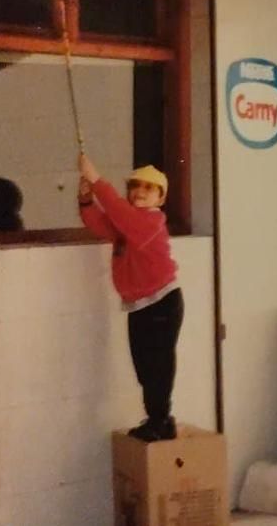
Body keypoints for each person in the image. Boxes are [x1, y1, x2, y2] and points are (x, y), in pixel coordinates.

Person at [78, 153, 182, 442]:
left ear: (160, 199)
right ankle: (158, 420)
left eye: (148, 188)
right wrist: (86, 200)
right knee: (145, 368)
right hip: (141, 306)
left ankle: (161, 421)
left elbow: (117, 212)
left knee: (157, 368)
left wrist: (96, 179)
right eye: (135, 186)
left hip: (162, 303)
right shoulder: (131, 224)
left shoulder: (150, 222)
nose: (139, 192)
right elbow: (101, 223)